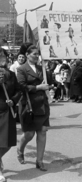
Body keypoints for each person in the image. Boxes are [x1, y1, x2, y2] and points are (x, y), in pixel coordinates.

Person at [17, 45, 53, 171]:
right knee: (29, 134)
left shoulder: (41, 68)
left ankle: (39, 161)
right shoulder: (21, 69)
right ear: (27, 55)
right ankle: (20, 149)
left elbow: (50, 81)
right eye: (34, 54)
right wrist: (38, 88)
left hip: (42, 104)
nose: (37, 56)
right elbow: (21, 86)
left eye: (38, 54)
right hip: (29, 105)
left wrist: (47, 70)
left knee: (42, 131)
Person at [0, 48, 22, 181]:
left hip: (8, 111)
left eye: (2, 55)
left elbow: (19, 90)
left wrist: (13, 100)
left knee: (7, 143)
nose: (1, 57)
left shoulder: (11, 74)